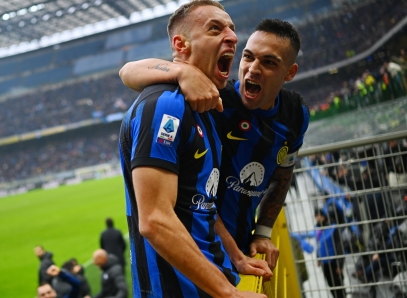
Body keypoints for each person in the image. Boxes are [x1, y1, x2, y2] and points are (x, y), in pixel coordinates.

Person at [119, 17, 309, 270]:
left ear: (290, 73)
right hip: (203, 252)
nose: (252, 69)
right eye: (248, 57)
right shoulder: (214, 100)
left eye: (269, 63)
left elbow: (283, 176)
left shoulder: (296, 114)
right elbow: (128, 71)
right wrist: (181, 71)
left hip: (242, 249)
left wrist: (263, 232)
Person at [119, 1, 269, 297]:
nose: (232, 37)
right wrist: (229, 294)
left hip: (215, 283)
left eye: (232, 29)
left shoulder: (206, 108)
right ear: (181, 45)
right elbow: (155, 221)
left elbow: (203, 203)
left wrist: (236, 257)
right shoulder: (165, 107)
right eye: (215, 28)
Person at [315, 209, 346, 298]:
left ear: (324, 216)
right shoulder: (318, 230)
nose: (317, 218)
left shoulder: (332, 228)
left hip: (334, 262)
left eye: (319, 215)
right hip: (325, 263)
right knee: (331, 286)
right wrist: (318, 258)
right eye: (316, 216)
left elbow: (339, 246)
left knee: (339, 286)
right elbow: (318, 245)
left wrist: (340, 265)